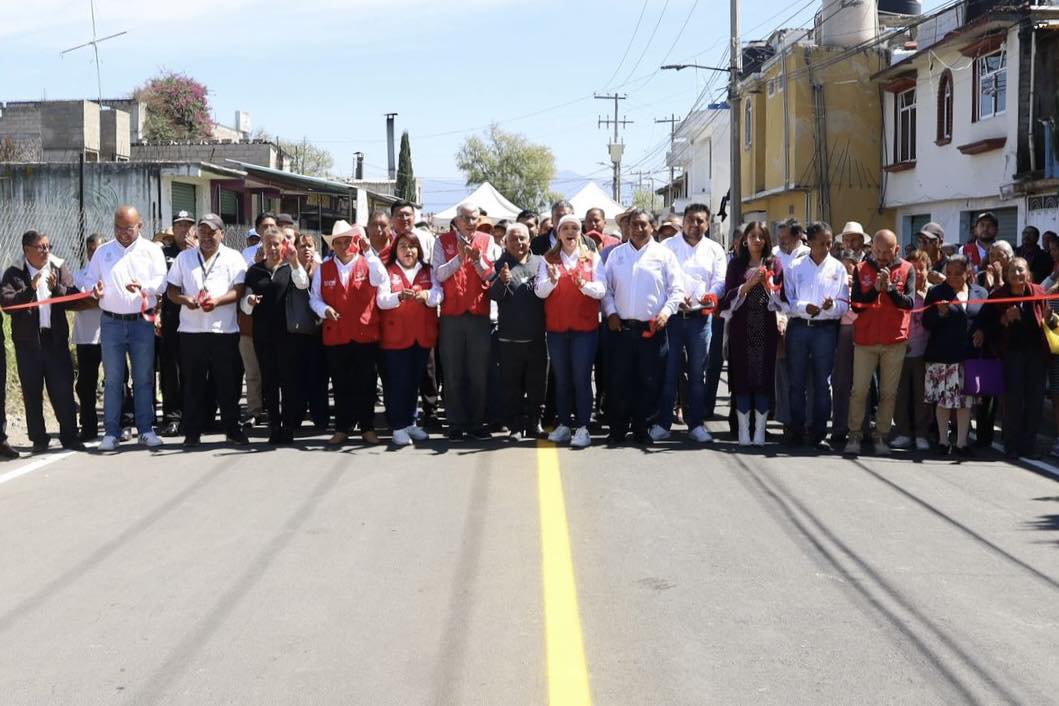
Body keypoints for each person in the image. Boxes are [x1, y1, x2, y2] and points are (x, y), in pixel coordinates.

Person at [85, 206, 167, 451]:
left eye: (128, 229)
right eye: (118, 228)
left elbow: (162, 281)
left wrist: (145, 287)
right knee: (112, 380)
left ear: (139, 226)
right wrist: (94, 290)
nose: (122, 233)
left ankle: (145, 430)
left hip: (141, 323)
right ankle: (111, 432)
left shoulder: (151, 251)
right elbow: (89, 281)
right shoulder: (103, 252)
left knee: (143, 378)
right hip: (111, 323)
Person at [164, 213, 249, 448]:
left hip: (224, 331)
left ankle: (232, 429)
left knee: (227, 383)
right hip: (191, 332)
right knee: (192, 384)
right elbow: (171, 291)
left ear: (222, 233)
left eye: (212, 232)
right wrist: (185, 299)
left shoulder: (234, 258)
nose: (207, 236)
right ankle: (192, 432)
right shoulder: (184, 258)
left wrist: (218, 301)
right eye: (202, 231)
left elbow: (239, 290)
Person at [603, 209, 684, 445]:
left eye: (643, 225)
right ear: (628, 228)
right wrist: (611, 312)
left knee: (649, 381)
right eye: (634, 225)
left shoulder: (664, 255)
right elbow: (606, 289)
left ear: (652, 228)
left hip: (652, 330)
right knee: (618, 381)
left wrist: (666, 313)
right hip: (621, 329)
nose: (638, 229)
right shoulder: (616, 255)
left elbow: (676, 290)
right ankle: (617, 429)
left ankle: (642, 428)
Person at [650, 203, 726, 443]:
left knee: (697, 374)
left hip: (701, 321)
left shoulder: (715, 249)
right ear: (683, 222)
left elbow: (720, 280)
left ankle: (696, 424)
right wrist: (674, 298)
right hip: (673, 318)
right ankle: (663, 423)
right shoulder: (667, 247)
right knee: (669, 373)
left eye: (700, 221)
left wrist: (711, 295)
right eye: (691, 220)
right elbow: (659, 279)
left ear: (707, 223)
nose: (695, 225)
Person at [0, 230, 83, 453]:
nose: (46, 251)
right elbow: (7, 304)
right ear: (27, 250)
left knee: (63, 389)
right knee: (32, 391)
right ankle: (39, 438)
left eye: (48, 246)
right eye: (41, 247)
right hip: (28, 343)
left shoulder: (58, 266)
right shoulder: (14, 273)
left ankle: (70, 436)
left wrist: (57, 289)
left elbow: (72, 297)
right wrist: (30, 290)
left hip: (54, 340)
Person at [310, 221, 385, 446]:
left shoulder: (368, 263)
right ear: (333, 245)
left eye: (347, 241)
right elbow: (314, 298)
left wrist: (369, 252)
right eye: (338, 242)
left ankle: (367, 427)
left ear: (355, 242)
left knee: (367, 383)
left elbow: (381, 278)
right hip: (337, 335)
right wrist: (324, 309)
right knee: (341, 384)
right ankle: (342, 428)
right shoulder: (323, 268)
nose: (343, 246)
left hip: (365, 333)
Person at [843, 230, 916, 456]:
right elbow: (855, 305)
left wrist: (891, 290)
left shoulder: (907, 269)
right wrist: (875, 290)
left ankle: (881, 436)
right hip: (865, 339)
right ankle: (854, 434)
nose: (883, 256)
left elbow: (909, 303)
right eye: (878, 251)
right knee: (859, 391)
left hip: (894, 340)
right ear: (872, 249)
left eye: (887, 252)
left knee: (888, 393)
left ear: (896, 249)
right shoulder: (861, 268)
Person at [535, 215, 605, 448]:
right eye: (565, 228)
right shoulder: (549, 258)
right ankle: (564, 424)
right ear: (558, 232)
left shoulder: (591, 258)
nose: (570, 231)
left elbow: (601, 290)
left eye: (574, 228)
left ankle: (583, 427)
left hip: (584, 330)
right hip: (556, 330)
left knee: (581, 378)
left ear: (580, 232)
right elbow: (540, 292)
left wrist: (583, 285)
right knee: (562, 379)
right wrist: (553, 281)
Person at [432, 203, 500, 441]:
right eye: (466, 218)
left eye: (474, 218)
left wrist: (477, 261)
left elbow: (491, 275)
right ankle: (455, 422)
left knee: (478, 372)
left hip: (478, 314)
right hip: (451, 315)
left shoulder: (488, 240)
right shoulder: (442, 241)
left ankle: (476, 422)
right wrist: (459, 260)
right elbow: (438, 274)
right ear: (457, 220)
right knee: (452, 372)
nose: (471, 223)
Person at [781, 222, 849, 449]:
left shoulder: (838, 268)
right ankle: (796, 428)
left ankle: (818, 431)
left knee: (822, 383)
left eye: (829, 243)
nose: (827, 247)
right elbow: (786, 302)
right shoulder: (795, 267)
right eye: (822, 243)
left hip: (825, 330)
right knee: (796, 382)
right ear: (809, 242)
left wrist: (830, 307)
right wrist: (803, 307)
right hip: (799, 327)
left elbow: (843, 305)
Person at [243, 226, 313, 445]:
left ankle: (288, 425)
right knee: (269, 382)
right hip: (263, 334)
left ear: (284, 245)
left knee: (289, 380)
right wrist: (250, 302)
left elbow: (303, 284)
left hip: (288, 334)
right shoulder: (254, 271)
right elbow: (244, 307)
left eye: (277, 244)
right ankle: (274, 425)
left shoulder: (289, 268)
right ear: (263, 246)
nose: (273, 248)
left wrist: (294, 262)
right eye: (269, 244)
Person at [376, 230, 443, 446]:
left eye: (412, 246)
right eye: (403, 246)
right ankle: (398, 426)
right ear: (396, 249)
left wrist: (426, 296)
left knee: (414, 382)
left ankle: (411, 422)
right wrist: (399, 296)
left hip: (421, 335)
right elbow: (381, 300)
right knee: (398, 383)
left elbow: (439, 293)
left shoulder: (428, 270)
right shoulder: (387, 271)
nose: (408, 250)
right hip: (396, 336)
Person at [721, 222, 784, 447]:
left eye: (761, 236)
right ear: (745, 240)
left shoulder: (774, 264)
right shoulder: (736, 265)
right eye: (752, 236)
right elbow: (726, 299)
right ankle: (743, 432)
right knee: (742, 379)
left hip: (765, 328)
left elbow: (782, 299)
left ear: (767, 240)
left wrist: (767, 283)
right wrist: (747, 284)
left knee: (763, 379)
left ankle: (760, 431)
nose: (757, 240)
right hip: (741, 328)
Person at [982, 258, 1048, 458]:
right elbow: (985, 325)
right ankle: (1011, 445)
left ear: (1027, 273)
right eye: (1012, 270)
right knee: (1013, 400)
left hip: (1037, 353)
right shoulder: (999, 296)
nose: (1016, 274)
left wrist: (1049, 317)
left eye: (1020, 270)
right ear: (1007, 275)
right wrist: (1004, 320)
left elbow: (1047, 318)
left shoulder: (1038, 292)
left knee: (1035, 401)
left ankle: (1028, 445)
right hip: (1011, 354)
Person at [921, 254, 985, 456]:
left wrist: (983, 332)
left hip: (969, 355)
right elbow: (926, 322)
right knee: (943, 399)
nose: (953, 277)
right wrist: (939, 313)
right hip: (943, 354)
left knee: (965, 401)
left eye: (958, 273)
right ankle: (942, 440)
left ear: (968, 273)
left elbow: (986, 319)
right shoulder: (936, 292)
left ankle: (962, 443)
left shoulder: (980, 292)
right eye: (949, 273)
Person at [489, 222, 546, 440]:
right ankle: (515, 426)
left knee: (536, 385)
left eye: (522, 238)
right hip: (508, 339)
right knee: (511, 387)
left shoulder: (540, 263)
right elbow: (492, 295)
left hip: (537, 338)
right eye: (514, 239)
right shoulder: (499, 265)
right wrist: (501, 282)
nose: (519, 243)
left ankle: (534, 424)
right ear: (506, 242)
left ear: (529, 241)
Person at [158, 210, 198, 436]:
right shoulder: (164, 253)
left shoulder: (201, 252)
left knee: (193, 369)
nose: (184, 229)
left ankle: (195, 415)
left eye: (188, 225)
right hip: (172, 317)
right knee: (170, 370)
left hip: (197, 318)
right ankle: (173, 417)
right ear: (173, 230)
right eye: (179, 225)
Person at [890, 250, 933, 452]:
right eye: (913, 268)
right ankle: (903, 432)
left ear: (928, 270)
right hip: (901, 351)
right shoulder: (902, 294)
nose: (917, 272)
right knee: (901, 394)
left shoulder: (931, 294)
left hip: (924, 353)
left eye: (921, 268)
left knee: (922, 395)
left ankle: (921, 433)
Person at [239, 212, 276, 428]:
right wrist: (255, 262)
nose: (268, 229)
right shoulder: (247, 253)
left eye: (272, 225)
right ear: (257, 230)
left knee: (274, 371)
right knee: (252, 372)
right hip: (250, 321)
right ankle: (254, 410)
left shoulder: (282, 251)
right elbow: (240, 281)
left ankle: (274, 409)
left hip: (274, 323)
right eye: (264, 226)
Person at [830, 249, 864, 445]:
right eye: (843, 267)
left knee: (861, 384)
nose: (847, 272)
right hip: (842, 330)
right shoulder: (833, 280)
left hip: (863, 331)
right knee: (841, 383)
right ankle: (839, 427)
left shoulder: (862, 281)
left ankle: (862, 427)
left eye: (850, 267)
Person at [72, 234, 103, 441]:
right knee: (86, 384)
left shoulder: (113, 273)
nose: (94, 253)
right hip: (86, 338)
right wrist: (97, 301)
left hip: (111, 336)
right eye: (90, 249)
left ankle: (119, 424)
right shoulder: (78, 276)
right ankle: (88, 426)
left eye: (98, 249)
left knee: (117, 382)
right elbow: (73, 303)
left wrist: (91, 301)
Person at [530, 200, 597, 255]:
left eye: (565, 216)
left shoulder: (588, 243)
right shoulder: (537, 243)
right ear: (552, 220)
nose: (561, 220)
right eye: (558, 216)